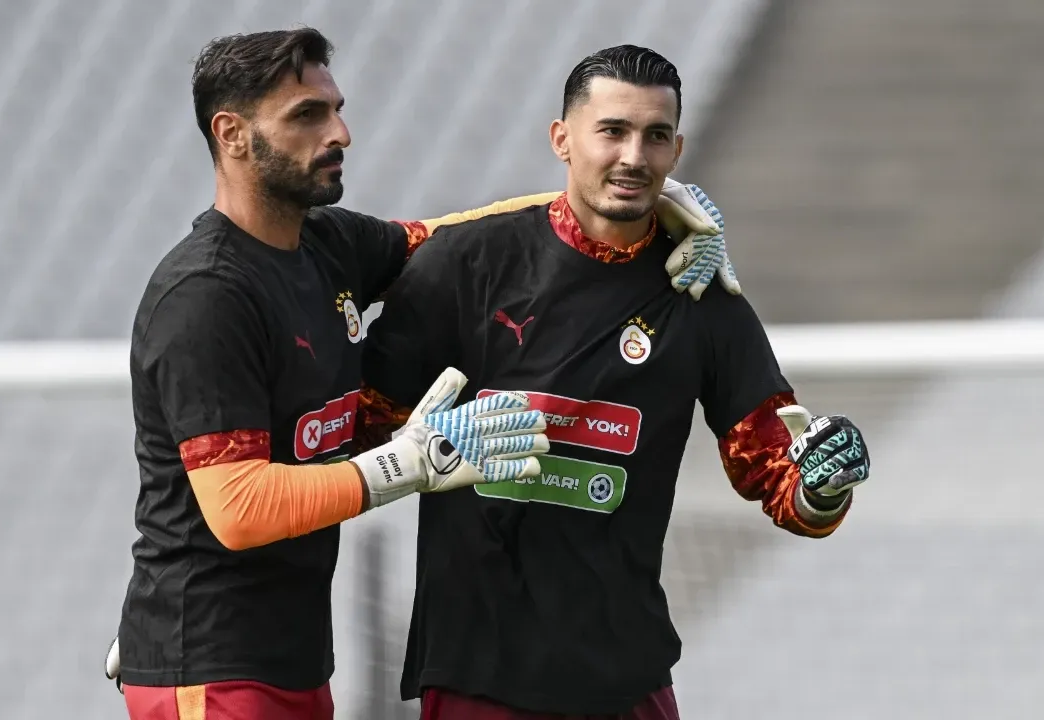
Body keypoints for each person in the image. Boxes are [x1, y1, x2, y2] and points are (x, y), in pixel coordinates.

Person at [108, 28, 738, 720]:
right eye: (307, 115)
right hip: (206, 660)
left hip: (286, 657)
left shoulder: (326, 245)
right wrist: (406, 465)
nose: (340, 133)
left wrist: (645, 206)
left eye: (336, 109)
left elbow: (466, 243)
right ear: (231, 134)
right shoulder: (206, 296)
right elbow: (239, 510)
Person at [359, 44, 872, 719]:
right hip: (476, 668)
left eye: (655, 136)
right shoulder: (466, 263)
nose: (634, 155)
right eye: (612, 131)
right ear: (561, 139)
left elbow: (779, 472)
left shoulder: (701, 291)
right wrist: (408, 453)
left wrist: (823, 485)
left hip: (625, 672)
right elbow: (353, 425)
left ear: (677, 151)